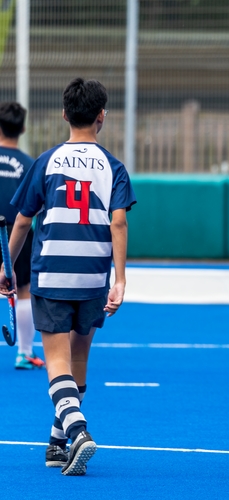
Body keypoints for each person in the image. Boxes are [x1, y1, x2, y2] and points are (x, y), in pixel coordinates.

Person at [0, 78, 136, 475]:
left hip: (53, 273)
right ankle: (57, 444)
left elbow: (22, 222)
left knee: (57, 362)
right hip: (93, 274)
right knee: (79, 359)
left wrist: (6, 268)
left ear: (64, 115)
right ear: (101, 117)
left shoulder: (46, 161)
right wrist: (121, 279)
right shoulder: (113, 166)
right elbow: (120, 223)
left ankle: (77, 431)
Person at [0, 101, 45, 369]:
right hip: (19, 231)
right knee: (24, 290)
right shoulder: (30, 164)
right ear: (23, 128)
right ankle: (25, 353)